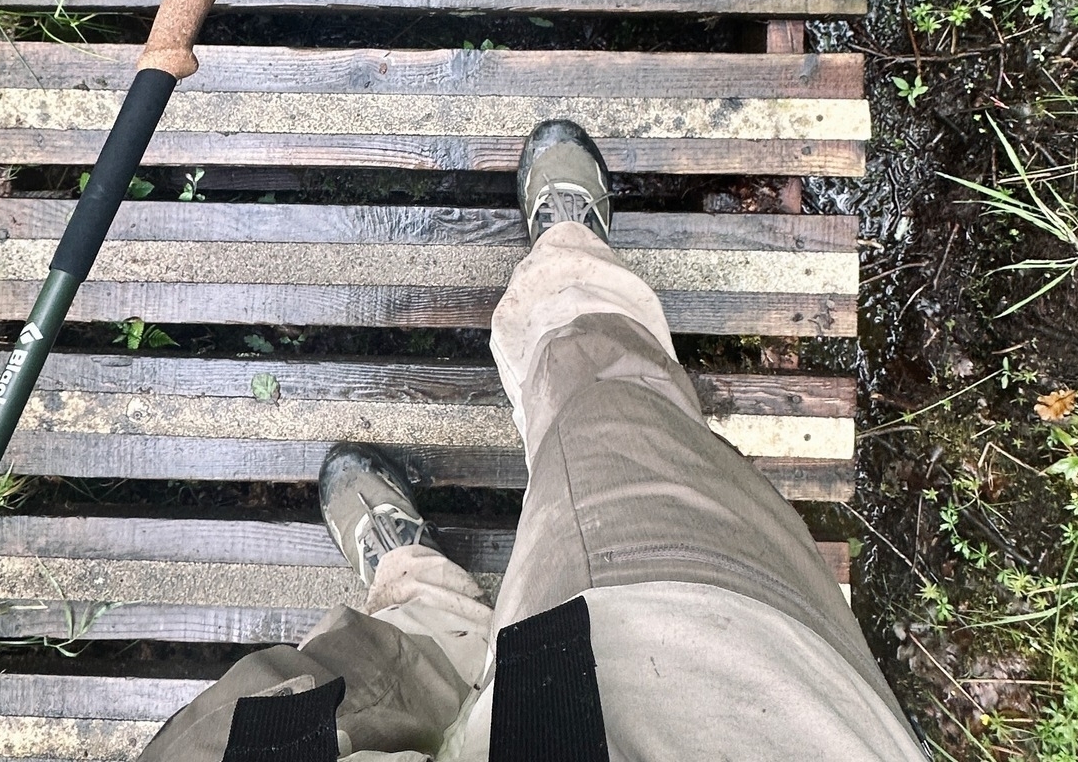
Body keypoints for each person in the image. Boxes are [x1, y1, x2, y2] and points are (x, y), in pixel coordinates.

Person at [140, 120, 925, 762]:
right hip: (685, 709)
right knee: (618, 438)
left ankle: (425, 609)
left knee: (332, 689)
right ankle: (570, 281)